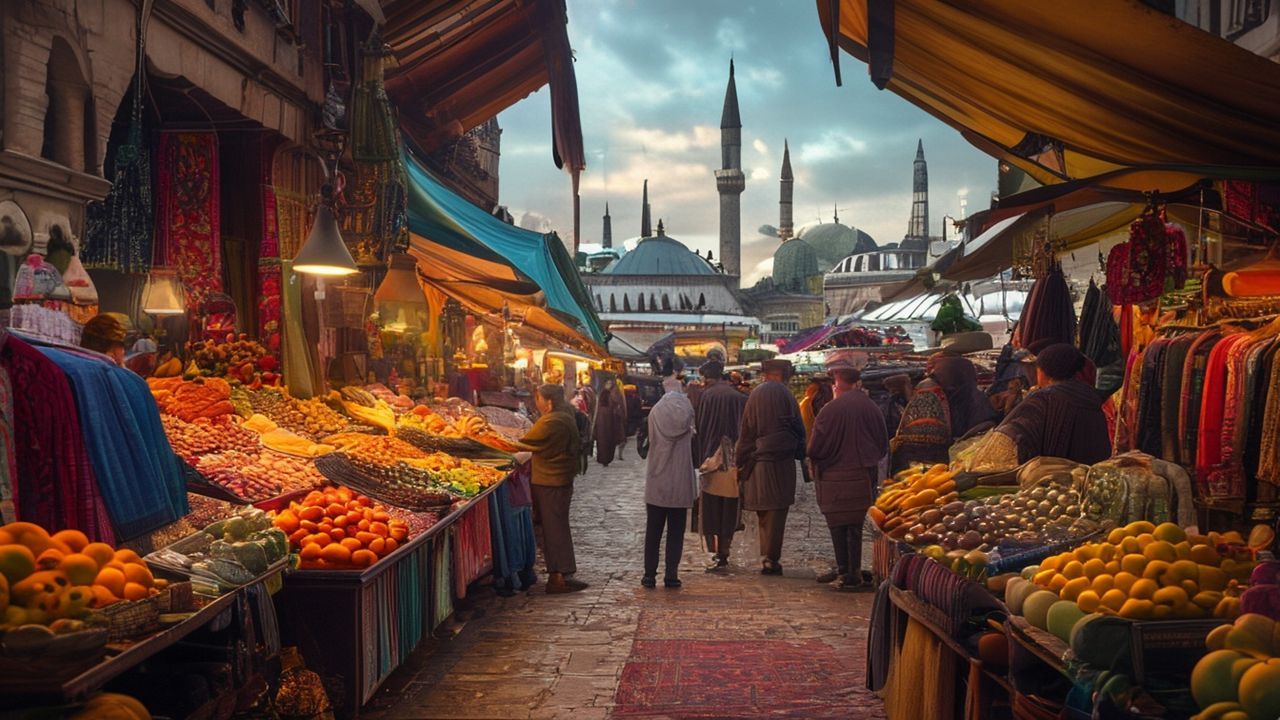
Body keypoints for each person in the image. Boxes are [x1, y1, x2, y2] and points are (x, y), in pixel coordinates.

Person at [806, 363, 888, 591]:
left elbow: (815, 448)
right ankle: (852, 571)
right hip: (862, 476)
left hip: (834, 478)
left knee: (838, 525)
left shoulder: (830, 410)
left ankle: (845, 571)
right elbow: (882, 444)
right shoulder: (870, 407)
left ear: (837, 383)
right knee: (855, 526)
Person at [983, 343, 1112, 465]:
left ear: (1043, 371)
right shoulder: (1090, 395)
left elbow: (1011, 436)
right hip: (1091, 474)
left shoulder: (1044, 398)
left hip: (1053, 477)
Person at [735, 358, 805, 575]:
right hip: (782, 463)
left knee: (764, 513)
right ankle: (770, 558)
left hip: (758, 463)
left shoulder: (755, 395)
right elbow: (799, 430)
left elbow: (746, 432)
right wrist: (802, 454)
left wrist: (741, 461)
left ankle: (766, 555)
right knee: (777, 512)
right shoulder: (787, 396)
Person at [518, 384, 586, 594]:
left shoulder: (552, 420)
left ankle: (559, 576)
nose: (536, 403)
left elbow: (524, 442)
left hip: (551, 482)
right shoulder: (563, 416)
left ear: (548, 401)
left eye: (538, 399)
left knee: (553, 528)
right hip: (557, 481)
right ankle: (562, 573)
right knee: (557, 526)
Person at [890, 356, 996, 473]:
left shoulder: (976, 402)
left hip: (965, 467)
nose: (931, 380)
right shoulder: (946, 396)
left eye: (936, 377)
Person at [693, 360, 748, 571]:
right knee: (730, 507)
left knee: (712, 508)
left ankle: (719, 552)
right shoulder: (739, 397)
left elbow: (701, 428)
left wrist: (700, 459)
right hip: (734, 460)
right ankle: (725, 549)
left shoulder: (707, 396)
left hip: (711, 461)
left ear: (707, 378)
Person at [642, 376, 697, 588]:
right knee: (676, 531)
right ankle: (671, 575)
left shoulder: (656, 411)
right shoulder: (688, 410)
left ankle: (649, 574)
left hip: (658, 477)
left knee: (653, 531)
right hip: (680, 480)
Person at [593, 380, 626, 466]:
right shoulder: (603, 395)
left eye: (610, 384)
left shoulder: (614, 393)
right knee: (603, 441)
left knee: (608, 441)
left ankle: (606, 459)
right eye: (607, 383)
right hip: (603, 422)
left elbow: (619, 406)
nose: (608, 385)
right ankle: (604, 459)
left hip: (610, 422)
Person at [879, 374, 914, 442]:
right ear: (901, 388)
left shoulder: (899, 403)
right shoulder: (893, 406)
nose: (912, 387)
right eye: (909, 385)